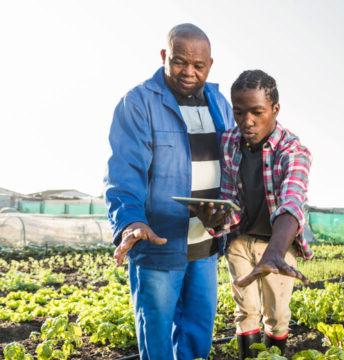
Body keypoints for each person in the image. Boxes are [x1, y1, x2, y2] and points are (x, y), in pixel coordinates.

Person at [104, 23, 235, 360]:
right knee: (157, 336)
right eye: (179, 62)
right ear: (164, 56)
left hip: (205, 244)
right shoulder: (138, 103)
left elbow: (235, 164)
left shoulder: (219, 103)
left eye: (198, 65)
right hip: (158, 242)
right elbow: (124, 173)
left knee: (198, 332)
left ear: (210, 65)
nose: (188, 72)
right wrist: (130, 220)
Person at [206, 69, 313, 359]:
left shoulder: (292, 150)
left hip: (277, 245)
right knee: (246, 312)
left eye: (257, 112)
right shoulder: (230, 141)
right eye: (239, 112)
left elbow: (292, 202)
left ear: (275, 109)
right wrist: (216, 218)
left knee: (277, 316)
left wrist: (275, 252)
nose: (247, 121)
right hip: (241, 242)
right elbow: (230, 198)